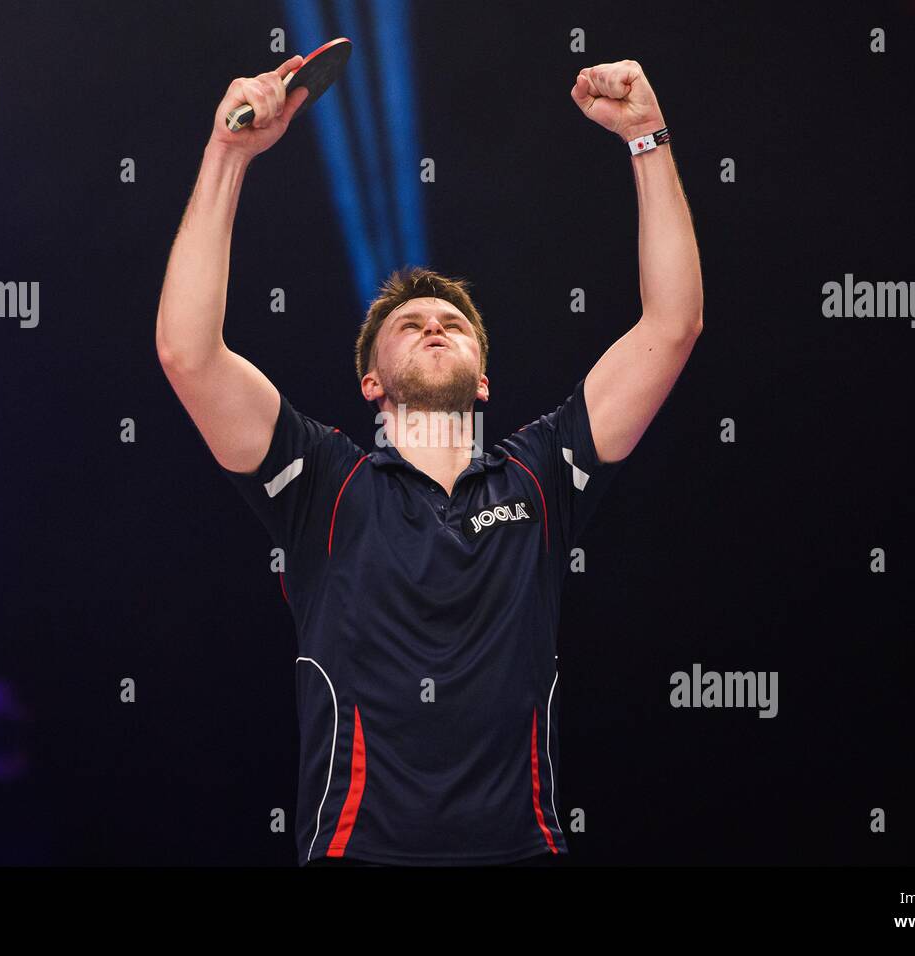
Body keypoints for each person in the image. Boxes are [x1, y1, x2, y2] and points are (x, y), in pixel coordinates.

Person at [156, 56, 703, 866]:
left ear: (484, 379)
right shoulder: (322, 485)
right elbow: (189, 353)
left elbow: (673, 325)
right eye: (409, 325)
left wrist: (646, 139)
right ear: (371, 380)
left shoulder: (543, 471)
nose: (434, 326)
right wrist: (228, 155)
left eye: (451, 322)